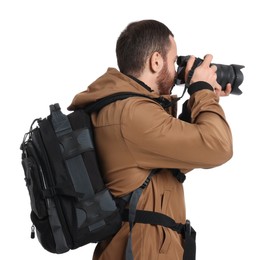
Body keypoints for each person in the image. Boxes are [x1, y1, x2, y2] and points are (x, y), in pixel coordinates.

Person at [68, 19, 233, 260]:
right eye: (173, 60)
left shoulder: (128, 108)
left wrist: (200, 98)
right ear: (156, 61)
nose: (177, 69)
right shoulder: (132, 114)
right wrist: (201, 90)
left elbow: (180, 159)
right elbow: (219, 146)